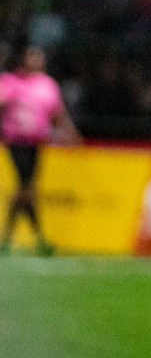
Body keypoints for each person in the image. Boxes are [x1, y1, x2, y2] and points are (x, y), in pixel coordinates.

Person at [1, 44, 81, 255]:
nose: (36, 60)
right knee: (26, 188)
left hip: (36, 143)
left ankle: (10, 238)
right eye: (32, 56)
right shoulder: (11, 82)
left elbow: (58, 114)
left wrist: (70, 133)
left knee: (25, 189)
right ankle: (38, 238)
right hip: (15, 141)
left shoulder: (47, 85)